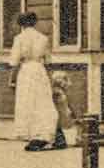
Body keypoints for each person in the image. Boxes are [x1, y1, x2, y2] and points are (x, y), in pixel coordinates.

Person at [8, 12, 59, 151]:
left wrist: (11, 78)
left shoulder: (19, 38)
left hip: (25, 71)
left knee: (27, 102)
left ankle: (32, 135)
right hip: (39, 71)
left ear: (21, 24)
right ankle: (43, 134)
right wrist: (51, 79)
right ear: (34, 22)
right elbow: (48, 61)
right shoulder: (43, 38)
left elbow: (14, 61)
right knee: (42, 103)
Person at [48, 70, 73, 150]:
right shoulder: (58, 91)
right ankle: (60, 141)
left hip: (60, 111)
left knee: (58, 126)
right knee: (58, 126)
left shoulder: (58, 91)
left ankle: (60, 141)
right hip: (60, 111)